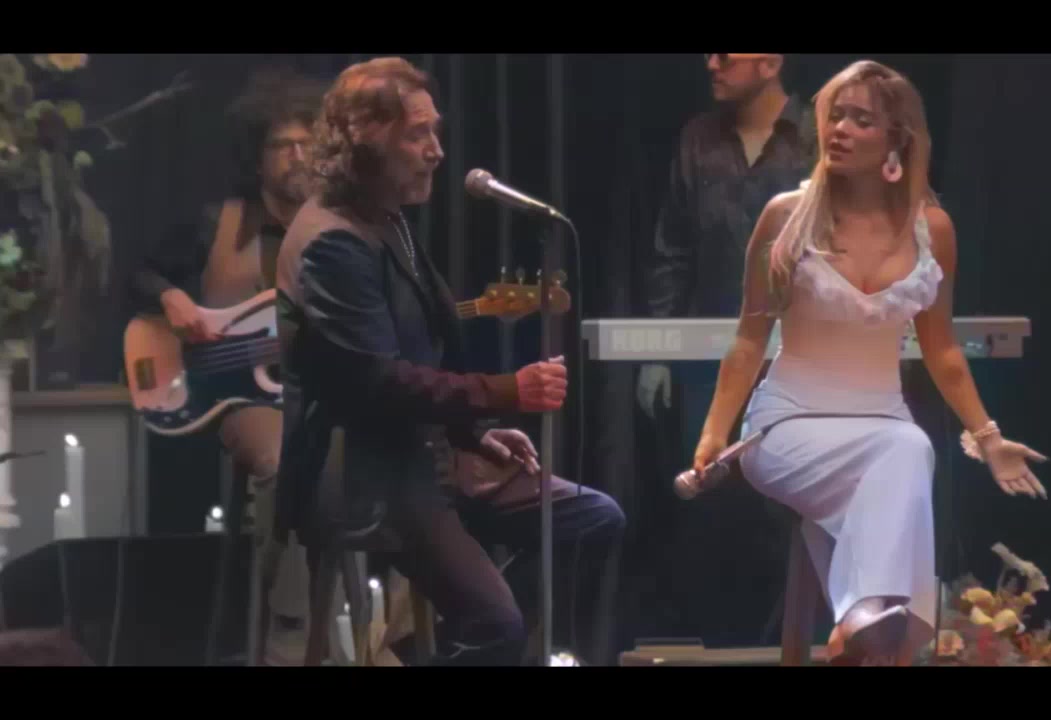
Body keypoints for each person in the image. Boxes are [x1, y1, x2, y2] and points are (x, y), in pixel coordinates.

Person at [690, 60, 1049, 666]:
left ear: (896, 141)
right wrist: (713, 433)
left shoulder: (932, 229)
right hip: (787, 425)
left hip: (881, 422)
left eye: (862, 120)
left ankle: (865, 625)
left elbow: (941, 349)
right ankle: (872, 620)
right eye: (836, 115)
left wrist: (989, 438)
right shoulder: (785, 216)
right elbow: (749, 340)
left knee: (907, 448)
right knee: (901, 457)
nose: (841, 129)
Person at [275, 57, 621, 666]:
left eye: (435, 131)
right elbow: (377, 382)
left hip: (424, 455)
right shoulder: (332, 240)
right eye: (418, 135)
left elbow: (419, 353)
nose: (437, 151)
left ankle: (424, 646)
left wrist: (474, 434)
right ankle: (477, 633)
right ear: (365, 141)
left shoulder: (385, 217)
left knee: (593, 519)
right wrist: (506, 390)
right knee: (496, 627)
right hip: (368, 471)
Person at [129, 66, 327, 666]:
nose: (297, 156)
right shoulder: (219, 221)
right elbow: (138, 272)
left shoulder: (338, 230)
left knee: (395, 460)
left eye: (307, 143)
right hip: (236, 398)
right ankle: (290, 639)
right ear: (257, 157)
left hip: (321, 395)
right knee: (282, 461)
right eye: (282, 145)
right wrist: (171, 296)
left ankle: (372, 635)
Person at [636, 53, 816, 645]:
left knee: (785, 508)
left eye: (726, 54)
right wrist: (657, 349)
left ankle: (785, 645)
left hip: (799, 355)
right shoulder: (698, 139)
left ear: (769, 62)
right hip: (709, 358)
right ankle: (718, 646)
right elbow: (673, 247)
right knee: (710, 505)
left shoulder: (815, 134)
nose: (711, 64)